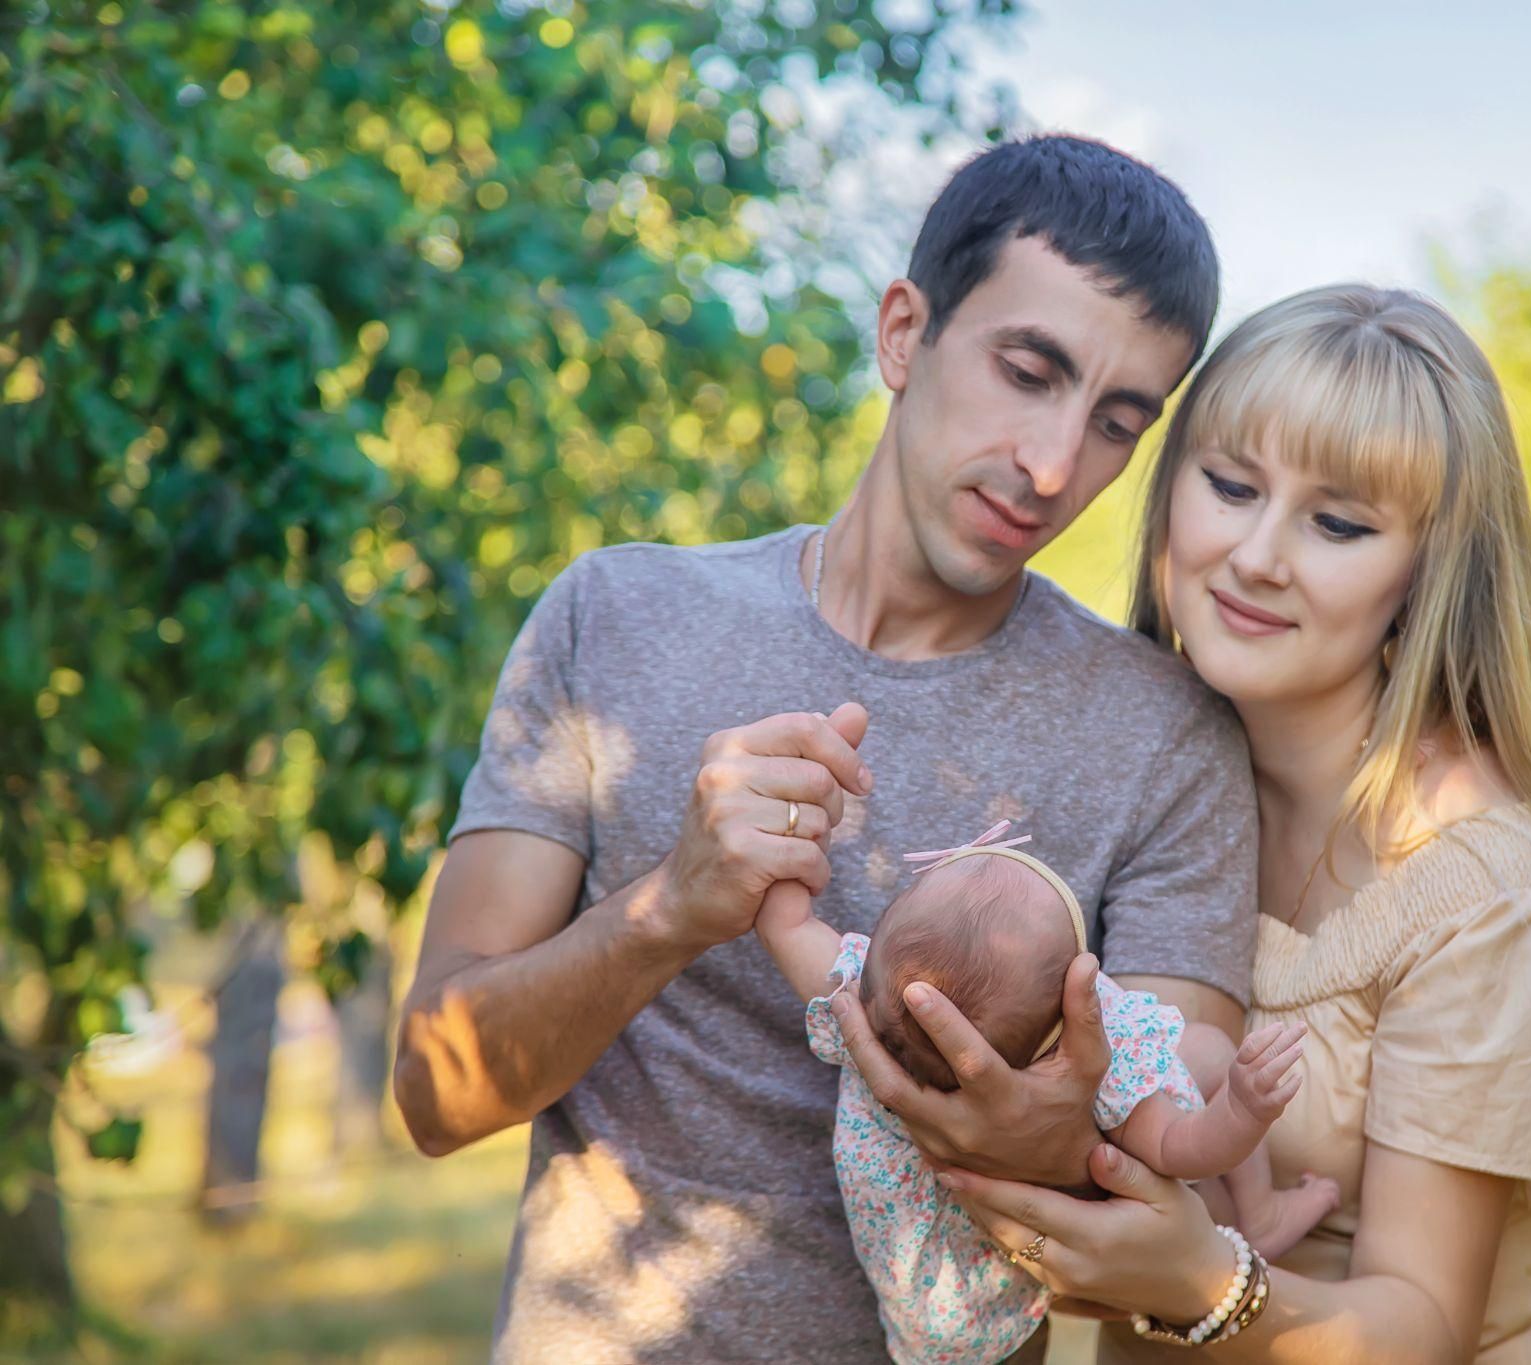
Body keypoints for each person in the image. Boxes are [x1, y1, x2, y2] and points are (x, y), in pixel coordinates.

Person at [390, 135, 1259, 1362]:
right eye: (1026, 369)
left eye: (1116, 422)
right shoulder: (614, 618)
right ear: (904, 332)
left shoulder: (1164, 737)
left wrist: (1040, 1130)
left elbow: (1168, 1207)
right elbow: (436, 1093)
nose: (1056, 465)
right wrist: (670, 909)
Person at [846, 285, 1531, 1362]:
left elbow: (1426, 1327)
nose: (1258, 555)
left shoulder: (1479, 883)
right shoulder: (1126, 781)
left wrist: (1199, 1280)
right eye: (1229, 485)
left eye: (1337, 523)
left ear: (1426, 575)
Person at [755, 820, 1331, 1363]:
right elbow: (1181, 1148)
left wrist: (787, 834)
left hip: (937, 1301)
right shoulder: (1095, 1069)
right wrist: (1244, 1108)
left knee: (1202, 1048)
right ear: (1067, 1014)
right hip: (1012, 1267)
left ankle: (1257, 1214)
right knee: (1209, 1054)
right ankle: (1259, 1213)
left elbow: (787, 925)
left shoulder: (857, 1004)